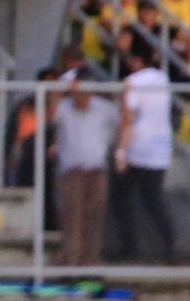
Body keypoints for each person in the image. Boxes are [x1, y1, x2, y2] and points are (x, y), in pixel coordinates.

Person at [111, 42, 178, 261]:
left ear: (136, 61)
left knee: (120, 196)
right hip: (160, 145)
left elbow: (128, 119)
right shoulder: (162, 79)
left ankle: (130, 247)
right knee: (153, 198)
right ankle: (169, 244)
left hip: (138, 147)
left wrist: (122, 151)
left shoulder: (132, 82)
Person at [53, 81, 117, 267]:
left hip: (96, 170)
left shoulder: (104, 109)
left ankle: (90, 261)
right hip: (72, 172)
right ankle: (71, 260)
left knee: (94, 216)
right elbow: (50, 119)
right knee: (72, 216)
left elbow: (124, 121)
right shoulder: (64, 108)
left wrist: (118, 148)